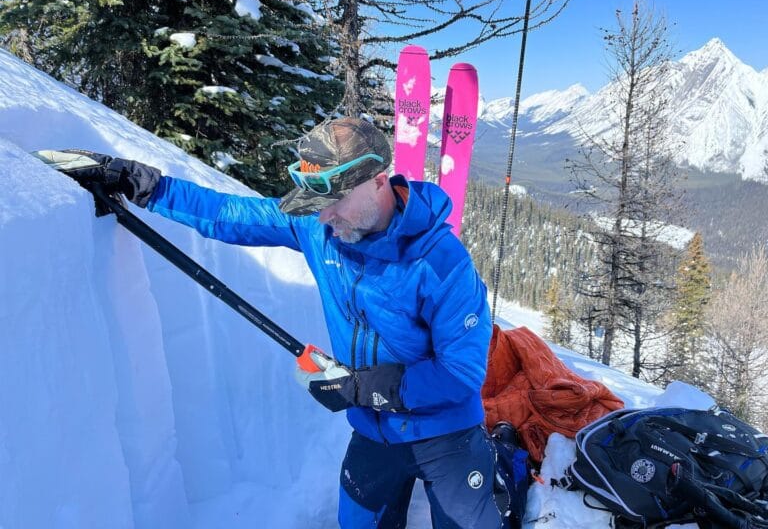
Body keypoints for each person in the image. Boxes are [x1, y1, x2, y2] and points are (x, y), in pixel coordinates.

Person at [55, 117, 503, 528]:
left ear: (378, 181)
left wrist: (366, 387)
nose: (324, 216)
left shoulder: (442, 264)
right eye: (318, 205)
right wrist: (147, 187)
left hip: (447, 434)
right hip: (374, 429)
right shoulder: (318, 226)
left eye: (335, 202)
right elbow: (231, 215)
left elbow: (461, 373)